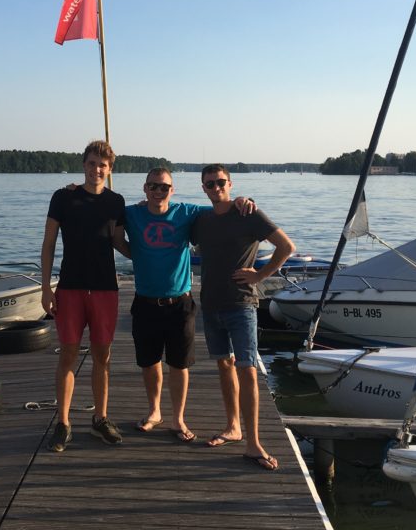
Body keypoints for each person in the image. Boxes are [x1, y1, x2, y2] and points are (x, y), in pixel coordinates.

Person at [124, 167, 255, 443]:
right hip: (145, 301)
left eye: (164, 187)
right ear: (145, 188)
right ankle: (154, 412)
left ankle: (178, 418)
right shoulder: (131, 213)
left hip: (179, 302)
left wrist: (241, 199)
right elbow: (108, 224)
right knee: (149, 363)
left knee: (179, 364)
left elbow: (221, 206)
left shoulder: (187, 212)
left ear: (172, 190)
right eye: (153, 186)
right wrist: (136, 253)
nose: (158, 191)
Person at [192, 164, 295, 471]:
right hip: (210, 304)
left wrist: (260, 275)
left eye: (221, 182)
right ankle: (232, 426)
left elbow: (286, 247)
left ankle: (253, 443)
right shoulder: (202, 220)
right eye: (210, 184)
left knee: (247, 369)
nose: (216, 187)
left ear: (230, 183)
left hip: (241, 304)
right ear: (204, 188)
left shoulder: (249, 214)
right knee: (224, 364)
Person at [40, 140, 130, 452]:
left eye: (102, 165)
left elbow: (119, 241)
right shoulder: (64, 197)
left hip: (105, 288)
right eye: (92, 164)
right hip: (70, 288)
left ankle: (100, 419)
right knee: (68, 354)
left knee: (102, 357)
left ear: (110, 169)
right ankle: (63, 422)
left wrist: (153, 256)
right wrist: (45, 287)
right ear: (84, 165)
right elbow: (49, 243)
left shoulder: (116, 201)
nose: (96, 170)